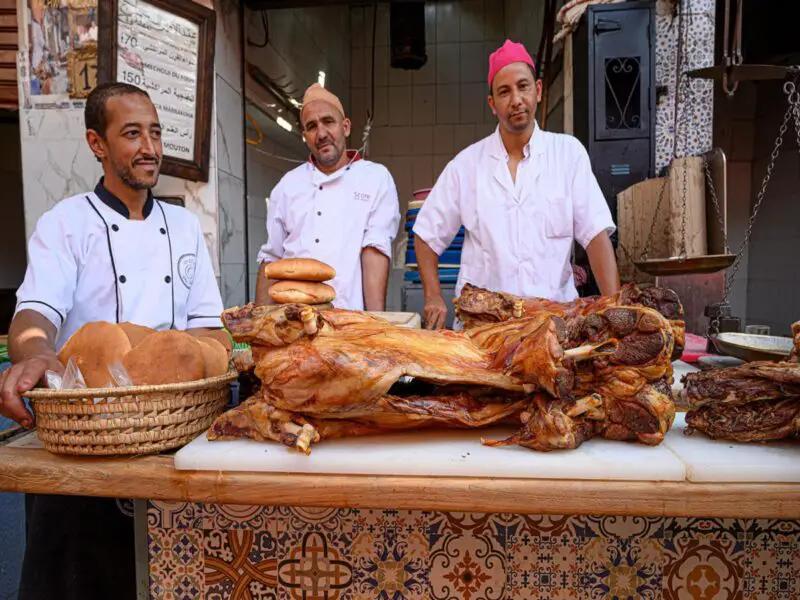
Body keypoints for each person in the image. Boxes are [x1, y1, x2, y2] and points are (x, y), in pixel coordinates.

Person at [0, 81, 226, 600]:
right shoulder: (67, 224)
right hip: (85, 439)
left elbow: (208, 329)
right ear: (97, 144)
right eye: (131, 134)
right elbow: (34, 314)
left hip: (167, 434)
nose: (150, 147)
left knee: (163, 578)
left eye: (154, 132)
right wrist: (37, 355)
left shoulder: (185, 226)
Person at [412, 39, 620, 329]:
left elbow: (596, 236)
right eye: (504, 92)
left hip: (554, 327)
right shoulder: (466, 165)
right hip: (483, 331)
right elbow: (425, 235)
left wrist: (616, 312)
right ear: (492, 104)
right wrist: (433, 296)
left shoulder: (567, 155)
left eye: (523, 87)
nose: (516, 99)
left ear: (537, 90)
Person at [256, 83, 400, 311]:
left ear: (346, 126)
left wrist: (376, 324)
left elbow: (375, 251)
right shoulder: (287, 185)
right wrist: (260, 323)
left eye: (328, 121)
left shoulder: (375, 178)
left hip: (350, 321)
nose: (321, 134)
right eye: (311, 127)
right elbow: (271, 259)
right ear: (305, 136)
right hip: (294, 322)